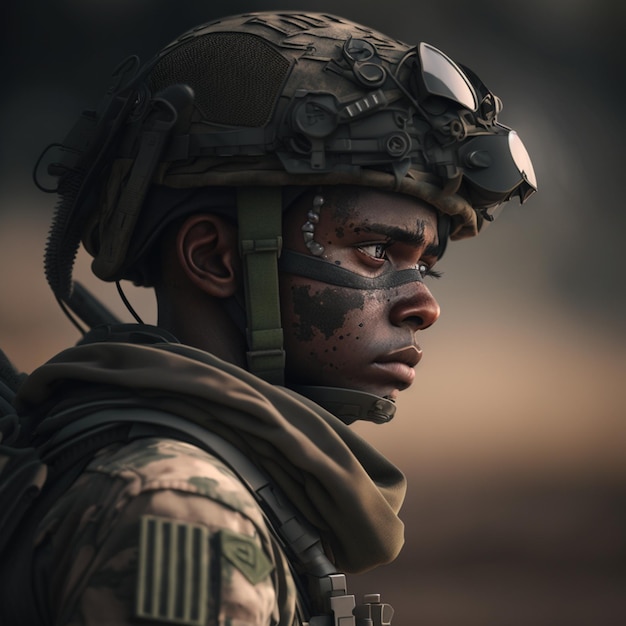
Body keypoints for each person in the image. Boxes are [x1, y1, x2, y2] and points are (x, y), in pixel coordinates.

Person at [3, 11, 536, 626]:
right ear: (215, 257)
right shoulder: (182, 513)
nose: (424, 306)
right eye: (375, 251)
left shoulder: (189, 473)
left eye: (426, 268)